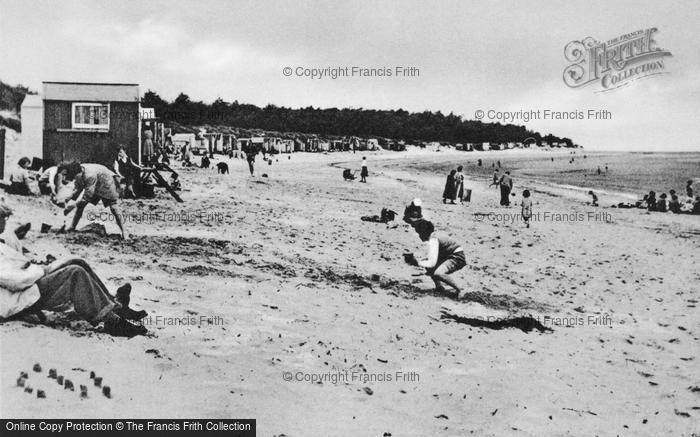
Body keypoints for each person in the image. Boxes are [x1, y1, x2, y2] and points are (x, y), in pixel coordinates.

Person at [0, 200, 147, 336]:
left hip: (27, 283)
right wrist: (41, 270)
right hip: (19, 297)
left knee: (76, 261)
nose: (5, 223)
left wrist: (39, 267)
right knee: (75, 273)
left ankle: (116, 307)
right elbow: (15, 281)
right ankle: (110, 321)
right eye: (3, 219)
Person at [58, 161, 127, 240]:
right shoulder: (77, 172)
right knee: (81, 205)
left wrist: (72, 206)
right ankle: (72, 227)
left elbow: (87, 196)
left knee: (114, 207)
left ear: (79, 174)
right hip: (95, 183)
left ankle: (124, 231)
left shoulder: (89, 175)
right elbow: (77, 189)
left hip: (106, 182)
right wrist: (67, 200)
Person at [404, 220, 466, 299]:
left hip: (457, 257)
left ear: (424, 232)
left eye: (420, 233)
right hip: (449, 255)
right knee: (427, 262)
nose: (419, 236)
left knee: (438, 273)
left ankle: (459, 289)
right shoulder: (433, 237)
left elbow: (432, 263)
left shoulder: (433, 240)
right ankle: (439, 287)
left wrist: (417, 263)